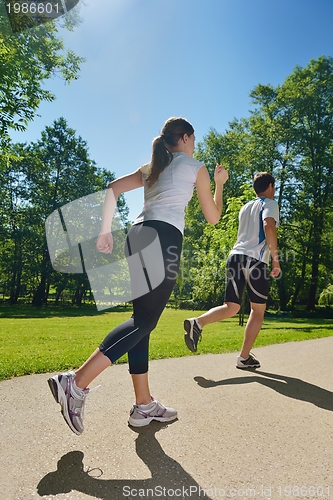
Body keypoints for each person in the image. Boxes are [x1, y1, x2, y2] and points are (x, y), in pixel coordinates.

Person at [48, 117, 229, 435]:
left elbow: (113, 188)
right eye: (194, 139)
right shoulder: (195, 167)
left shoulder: (152, 168)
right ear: (185, 138)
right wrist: (220, 184)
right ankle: (75, 383)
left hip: (138, 234)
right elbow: (213, 217)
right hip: (164, 238)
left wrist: (106, 230)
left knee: (140, 322)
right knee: (144, 322)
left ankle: (143, 404)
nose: (195, 144)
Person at [184, 171, 280, 369]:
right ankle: (244, 357)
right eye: (274, 186)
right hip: (255, 260)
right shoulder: (269, 204)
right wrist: (275, 260)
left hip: (235, 256)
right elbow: (268, 226)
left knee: (232, 306)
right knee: (258, 310)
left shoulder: (245, 207)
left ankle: (198, 323)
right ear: (270, 186)